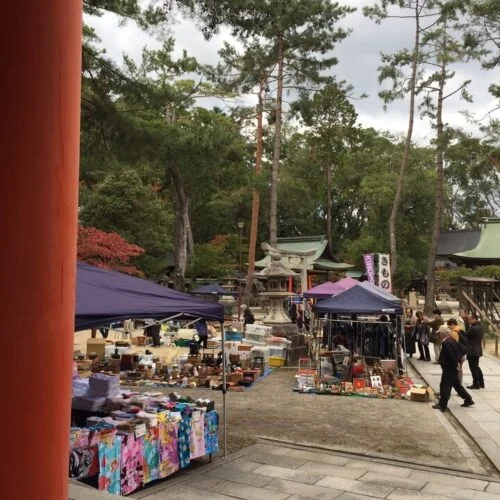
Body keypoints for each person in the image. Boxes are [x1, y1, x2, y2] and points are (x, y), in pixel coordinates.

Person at [432, 328, 474, 412]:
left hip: (449, 367)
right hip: (452, 367)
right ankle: (468, 399)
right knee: (457, 385)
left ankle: (442, 405)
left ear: (443, 334)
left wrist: (455, 365)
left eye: (439, 333)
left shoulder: (446, 342)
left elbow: (451, 355)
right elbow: (457, 353)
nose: (439, 335)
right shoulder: (452, 340)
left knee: (445, 386)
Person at [465, 313, 485, 389]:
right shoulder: (480, 326)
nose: (468, 321)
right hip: (477, 349)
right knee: (476, 367)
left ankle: (476, 384)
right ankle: (481, 383)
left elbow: (465, 336)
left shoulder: (473, 328)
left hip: (472, 350)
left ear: (474, 319)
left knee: (473, 368)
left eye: (469, 319)